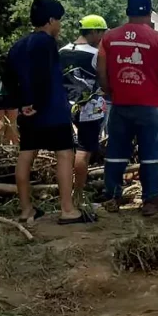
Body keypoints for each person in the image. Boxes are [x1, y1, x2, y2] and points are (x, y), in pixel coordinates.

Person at [7, 0, 95, 225]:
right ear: (51, 20)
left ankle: (26, 209)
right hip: (51, 110)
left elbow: (7, 77)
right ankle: (67, 209)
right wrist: (36, 102)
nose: (60, 26)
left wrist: (22, 103)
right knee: (64, 154)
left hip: (28, 114)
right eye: (59, 21)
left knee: (26, 156)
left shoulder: (18, 45)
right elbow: (42, 75)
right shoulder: (45, 43)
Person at [98, 0, 158, 216]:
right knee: (151, 153)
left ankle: (112, 197)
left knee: (116, 151)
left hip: (121, 104)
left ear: (127, 11)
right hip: (151, 106)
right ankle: (151, 200)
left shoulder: (109, 37)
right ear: (149, 13)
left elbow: (101, 71)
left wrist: (110, 91)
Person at [59, 14, 108, 200]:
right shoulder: (96, 54)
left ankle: (65, 193)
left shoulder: (62, 51)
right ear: (94, 31)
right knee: (83, 151)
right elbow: (103, 80)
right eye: (101, 33)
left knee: (65, 151)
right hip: (89, 109)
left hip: (64, 107)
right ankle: (78, 195)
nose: (102, 37)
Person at [0, 55, 19, 145]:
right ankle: (14, 145)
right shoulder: (13, 72)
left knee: (0, 120)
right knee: (12, 123)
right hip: (10, 97)